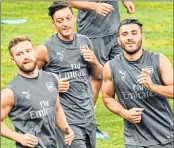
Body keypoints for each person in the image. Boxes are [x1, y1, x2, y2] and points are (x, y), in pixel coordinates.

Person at [35, 1, 103, 148]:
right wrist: (52, 85)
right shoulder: (44, 50)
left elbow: (98, 76)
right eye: (59, 21)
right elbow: (26, 80)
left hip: (88, 116)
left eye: (68, 18)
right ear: (53, 23)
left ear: (74, 18)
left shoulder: (84, 41)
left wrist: (94, 61)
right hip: (66, 120)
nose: (65, 24)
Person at [102, 18, 174, 148]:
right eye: (125, 34)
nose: (129, 38)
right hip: (134, 141)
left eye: (134, 33)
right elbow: (107, 98)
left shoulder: (159, 60)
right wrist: (124, 113)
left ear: (142, 37)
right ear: (119, 40)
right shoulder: (110, 67)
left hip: (166, 138)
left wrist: (153, 87)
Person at [69, 1, 135, 138]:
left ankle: (134, 117)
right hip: (93, 33)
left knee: (123, 70)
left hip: (114, 30)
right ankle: (87, 124)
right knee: (96, 77)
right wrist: (94, 6)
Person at [1, 36, 75, 148]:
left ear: (35, 52)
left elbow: (56, 108)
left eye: (28, 51)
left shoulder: (52, 79)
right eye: (19, 54)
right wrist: (19, 137)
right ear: (13, 60)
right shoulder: (10, 92)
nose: (25, 56)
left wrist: (66, 128)